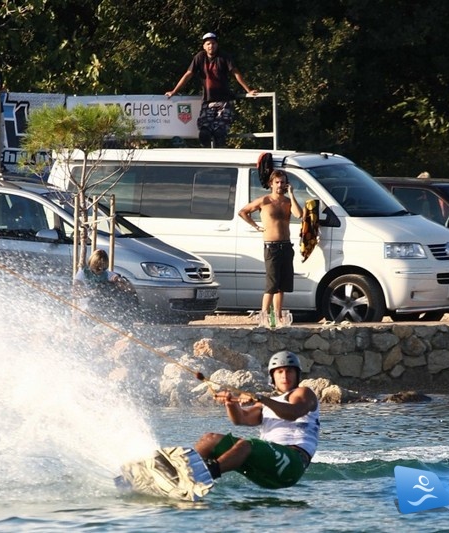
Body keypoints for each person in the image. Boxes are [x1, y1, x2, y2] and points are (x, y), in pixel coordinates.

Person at [194, 350, 319, 489]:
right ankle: (184, 469)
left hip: (293, 463)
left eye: (289, 371)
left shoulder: (303, 393)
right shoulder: (267, 403)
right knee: (209, 439)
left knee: (247, 444)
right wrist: (231, 403)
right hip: (266, 470)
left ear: (297, 374)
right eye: (280, 372)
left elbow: (294, 413)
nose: (285, 376)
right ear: (272, 376)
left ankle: (203, 475)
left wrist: (263, 399)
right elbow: (241, 419)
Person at [165, 32, 258, 148]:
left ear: (217, 45)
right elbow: (188, 74)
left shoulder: (224, 57)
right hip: (208, 101)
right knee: (204, 133)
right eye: (208, 44)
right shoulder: (200, 57)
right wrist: (174, 91)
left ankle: (221, 159)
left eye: (213, 43)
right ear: (204, 46)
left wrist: (248, 90)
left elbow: (236, 73)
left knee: (220, 133)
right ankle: (207, 158)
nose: (211, 46)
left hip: (224, 101)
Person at [238, 169, 302, 326]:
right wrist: (256, 226)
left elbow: (299, 214)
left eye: (282, 182)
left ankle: (278, 316)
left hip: (286, 246)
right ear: (271, 184)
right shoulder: (264, 201)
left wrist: (292, 194)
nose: (280, 185)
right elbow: (243, 212)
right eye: (277, 182)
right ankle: (264, 316)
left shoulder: (287, 202)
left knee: (282, 286)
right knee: (272, 284)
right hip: (271, 247)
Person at [73, 249, 136, 318]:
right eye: (98, 268)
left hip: (103, 309)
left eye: (104, 268)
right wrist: (91, 293)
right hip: (86, 311)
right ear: (92, 264)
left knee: (110, 287)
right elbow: (76, 292)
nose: (101, 270)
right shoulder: (83, 273)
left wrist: (121, 281)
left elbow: (131, 289)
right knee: (100, 289)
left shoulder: (106, 274)